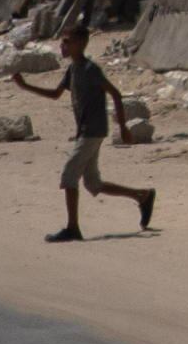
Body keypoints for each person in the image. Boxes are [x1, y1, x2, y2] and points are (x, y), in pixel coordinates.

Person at [49, 18, 154, 241]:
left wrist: (123, 127)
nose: (62, 46)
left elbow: (115, 94)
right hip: (86, 131)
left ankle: (73, 228)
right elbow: (55, 94)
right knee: (93, 183)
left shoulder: (90, 70)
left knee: (69, 175)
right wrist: (23, 85)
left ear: (80, 44)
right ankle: (142, 195)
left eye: (67, 42)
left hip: (93, 131)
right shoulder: (73, 70)